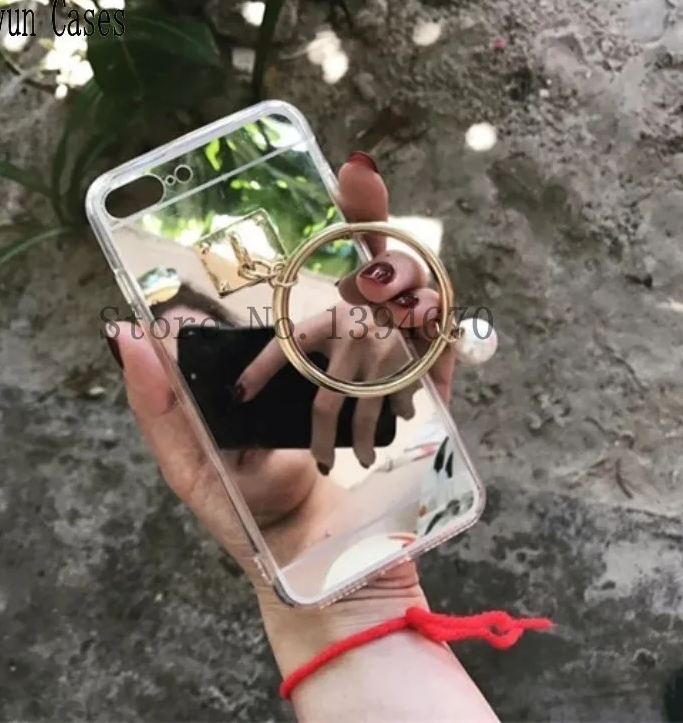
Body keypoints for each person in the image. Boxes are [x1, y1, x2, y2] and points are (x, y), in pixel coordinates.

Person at [104, 152, 503, 720]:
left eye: (217, 371)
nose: (215, 412)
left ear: (275, 356)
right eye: (185, 396)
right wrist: (347, 610)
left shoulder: (409, 477)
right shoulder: (331, 547)